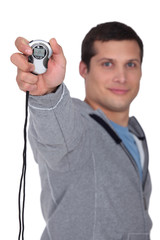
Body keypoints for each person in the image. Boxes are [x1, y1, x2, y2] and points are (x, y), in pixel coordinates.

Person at [11, 22, 152, 240]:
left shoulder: (135, 135)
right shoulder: (74, 122)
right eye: (107, 64)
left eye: (131, 65)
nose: (121, 77)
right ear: (83, 69)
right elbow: (58, 136)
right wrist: (48, 94)